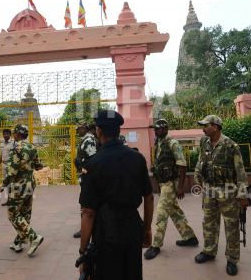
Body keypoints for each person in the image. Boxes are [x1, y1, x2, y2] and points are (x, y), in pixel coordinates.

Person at [79, 110, 154, 279]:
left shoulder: (93, 164)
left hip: (107, 234)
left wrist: (83, 252)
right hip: (134, 229)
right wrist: (147, 228)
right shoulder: (138, 158)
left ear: (99, 131)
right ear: (118, 131)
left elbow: (89, 212)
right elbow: (149, 197)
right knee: (132, 273)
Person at [193, 115, 249, 276]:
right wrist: (197, 179)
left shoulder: (231, 146)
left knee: (231, 225)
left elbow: (240, 172)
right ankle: (209, 251)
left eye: (206, 125)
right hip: (209, 190)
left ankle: (232, 259)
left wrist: (243, 195)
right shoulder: (205, 142)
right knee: (209, 222)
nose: (203, 128)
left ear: (215, 127)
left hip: (228, 191)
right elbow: (200, 161)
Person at [144, 119, 198, 260]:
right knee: (174, 211)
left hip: (170, 184)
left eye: (157, 129)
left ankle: (155, 245)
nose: (155, 131)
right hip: (163, 183)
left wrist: (181, 187)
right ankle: (190, 237)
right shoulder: (160, 143)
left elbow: (182, 164)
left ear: (164, 129)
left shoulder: (173, 143)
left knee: (162, 212)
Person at [0, 124, 45, 255]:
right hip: (30, 182)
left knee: (13, 213)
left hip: (19, 185)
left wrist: (2, 186)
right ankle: (17, 243)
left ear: (17, 135)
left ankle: (34, 238)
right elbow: (38, 166)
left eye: (14, 133)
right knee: (25, 213)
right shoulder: (31, 147)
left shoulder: (17, 149)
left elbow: (11, 173)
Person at [73, 120, 98, 238]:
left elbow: (92, 160)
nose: (77, 131)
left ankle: (86, 228)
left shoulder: (88, 141)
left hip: (88, 177)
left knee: (85, 203)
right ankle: (87, 227)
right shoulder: (87, 139)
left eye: (78, 129)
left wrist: (86, 173)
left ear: (83, 129)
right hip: (86, 176)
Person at [0, 129, 15, 206]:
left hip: (11, 165)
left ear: (10, 135)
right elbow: (1, 155)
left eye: (7, 134)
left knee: (12, 183)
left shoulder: (14, 143)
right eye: (4, 134)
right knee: (6, 183)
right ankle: (8, 200)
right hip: (4, 165)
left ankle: (13, 200)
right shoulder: (2, 144)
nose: (6, 135)